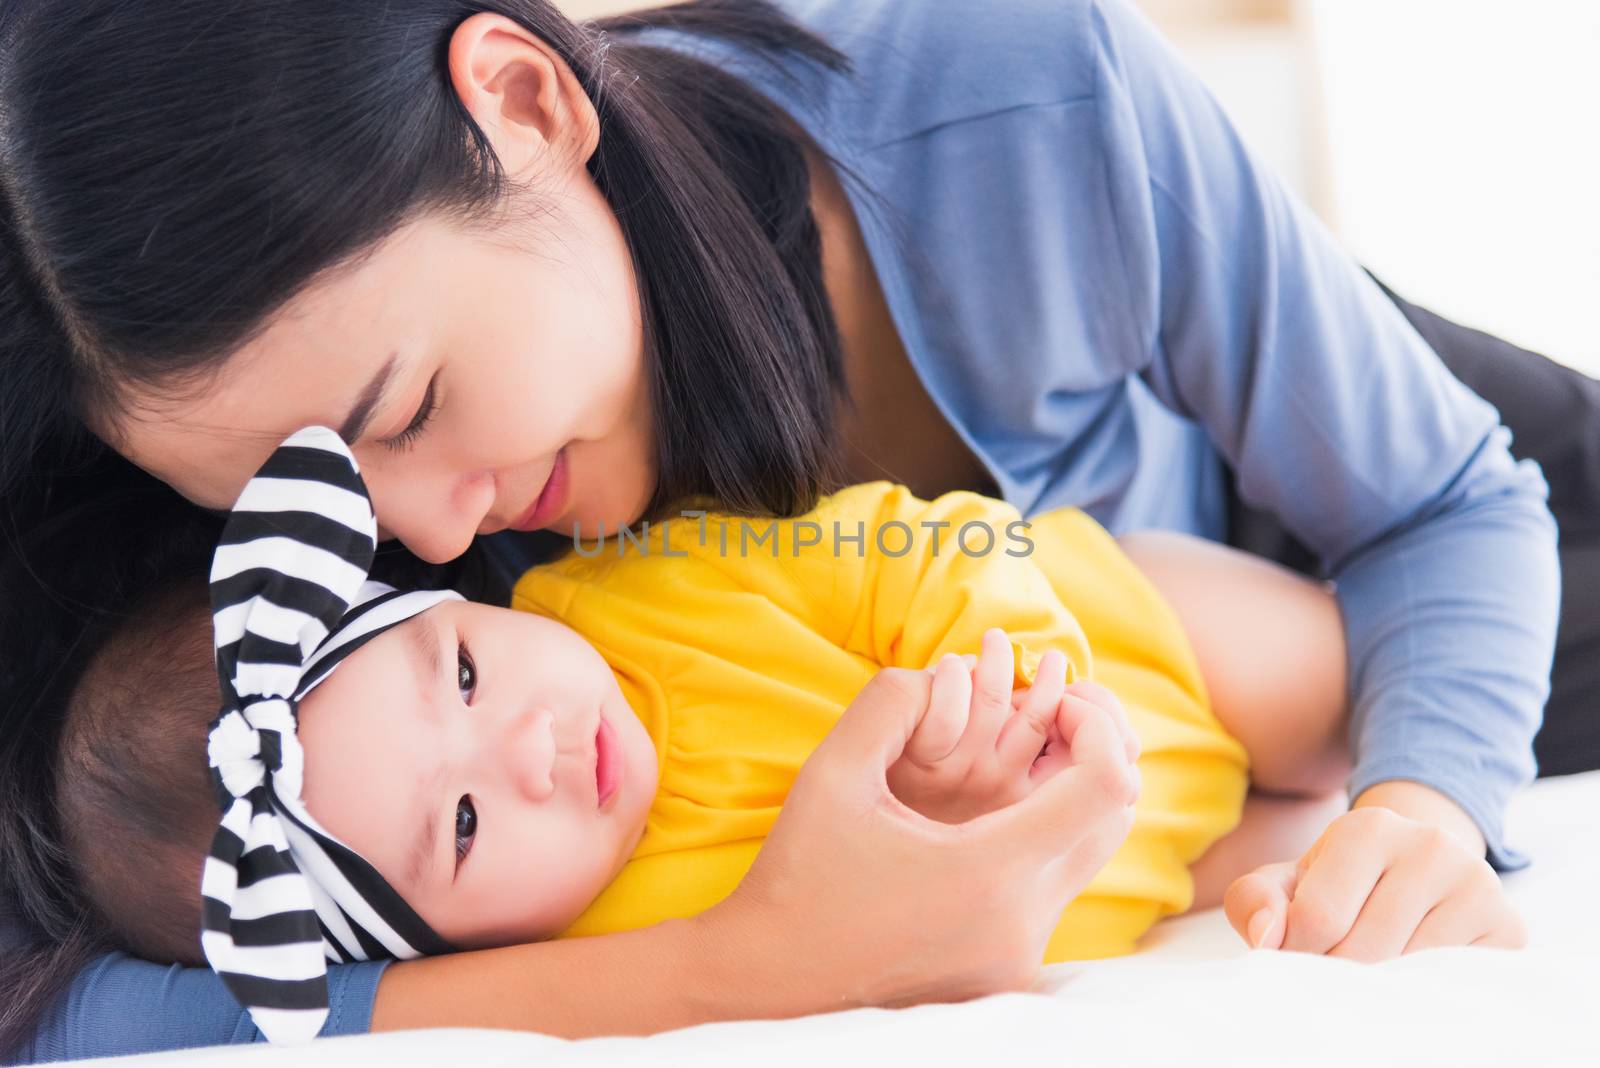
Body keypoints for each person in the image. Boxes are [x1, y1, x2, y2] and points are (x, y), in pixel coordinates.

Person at [0, 0, 1580, 1060]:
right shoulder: (287, 619)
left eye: (404, 410)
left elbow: (1438, 503)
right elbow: (77, 1007)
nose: (414, 535)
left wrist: (1430, 808)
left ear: (526, 101)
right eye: (315, 503)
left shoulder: (1017, 96)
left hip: (1284, 485)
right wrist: (746, 969)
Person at [33, 427, 1509, 1048]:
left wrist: (1012, 679)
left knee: (1339, 694)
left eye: (467, 678)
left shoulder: (623, 585)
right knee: (1298, 881)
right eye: (466, 829)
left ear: (449, 601)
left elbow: (894, 544)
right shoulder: (633, 943)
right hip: (1119, 872)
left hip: (1125, 635)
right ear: (440, 947)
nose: (531, 751)